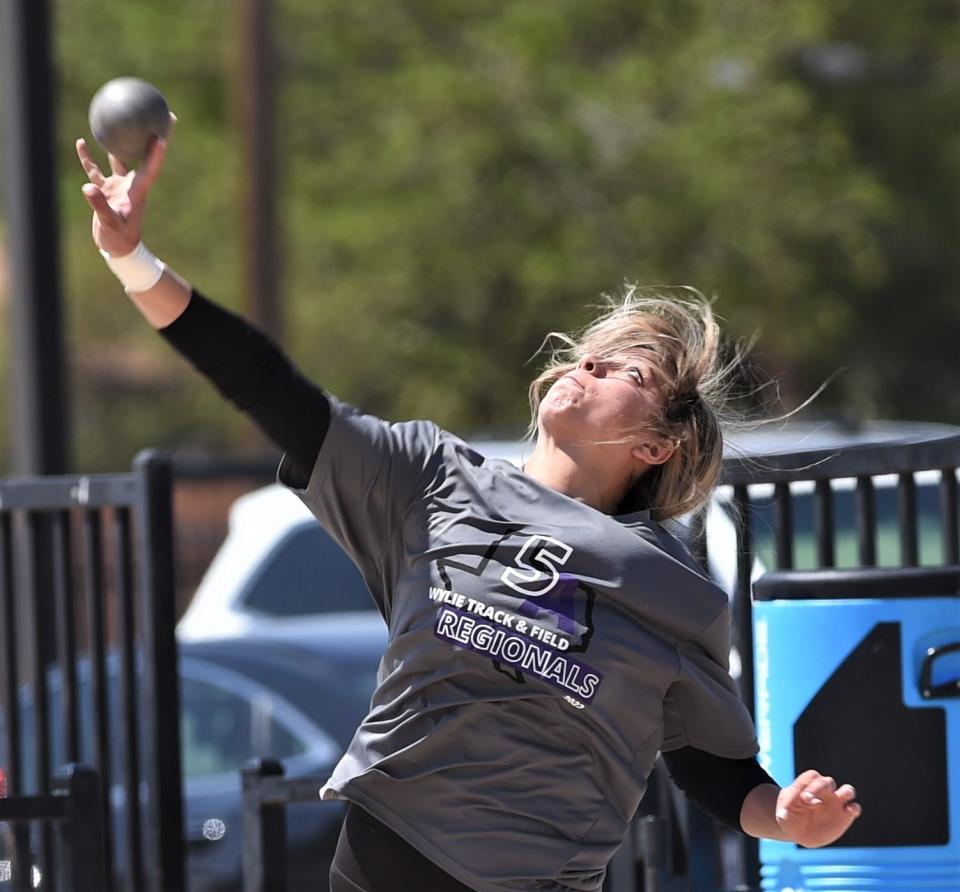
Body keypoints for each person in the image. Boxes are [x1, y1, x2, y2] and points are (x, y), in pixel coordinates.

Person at [76, 133, 861, 892]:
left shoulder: (672, 590)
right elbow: (268, 387)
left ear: (656, 446)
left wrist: (787, 818)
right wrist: (130, 258)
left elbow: (710, 768)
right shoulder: (429, 477)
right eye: (590, 352)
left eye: (629, 371)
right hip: (382, 857)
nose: (588, 364)